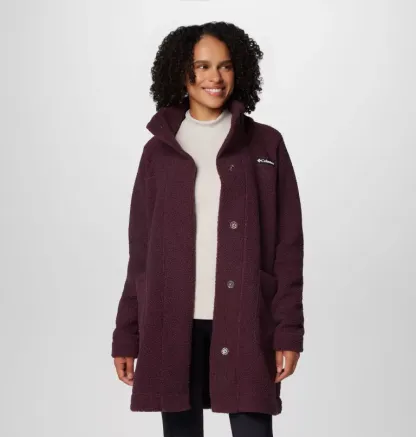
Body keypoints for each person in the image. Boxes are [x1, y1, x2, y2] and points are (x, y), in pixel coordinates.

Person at [111, 21, 304, 437]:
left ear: (240, 71)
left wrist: (288, 331)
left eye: (225, 66)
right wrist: (126, 335)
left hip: (247, 318)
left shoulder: (266, 145)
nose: (214, 77)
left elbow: (287, 248)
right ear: (180, 72)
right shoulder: (158, 151)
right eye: (201, 66)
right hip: (171, 320)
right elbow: (140, 253)